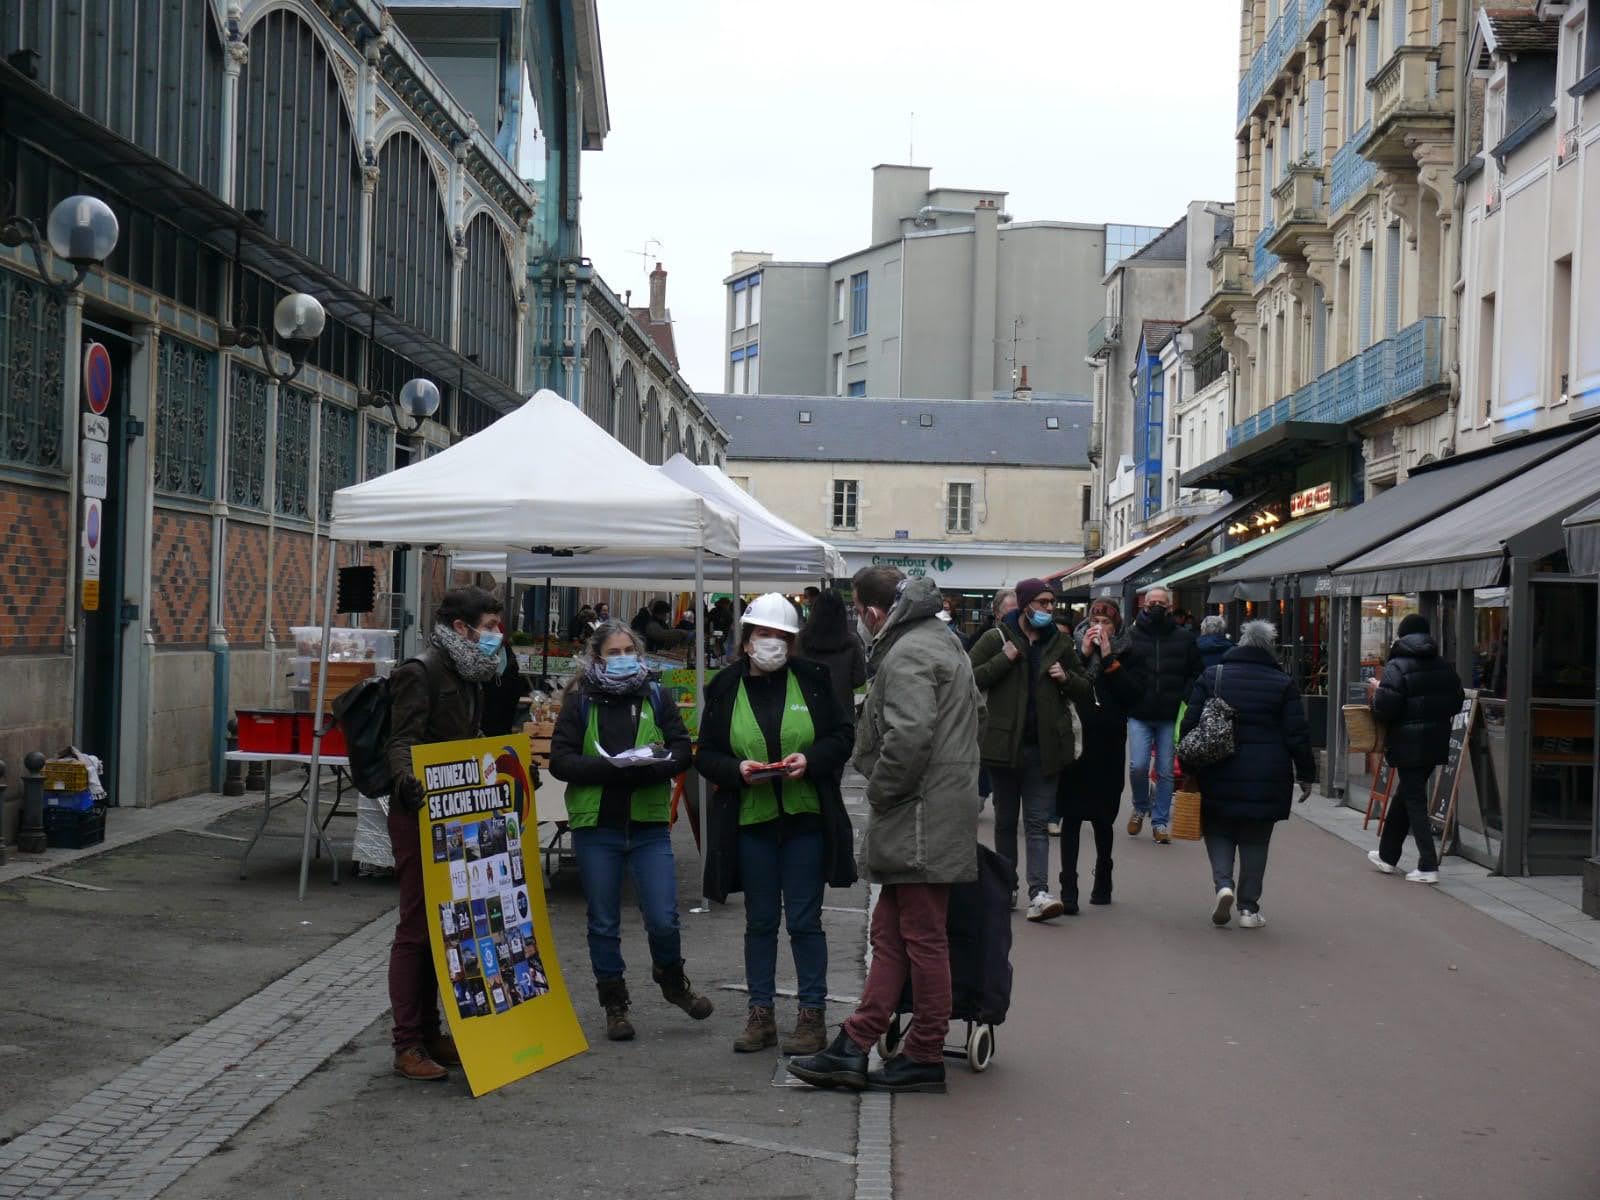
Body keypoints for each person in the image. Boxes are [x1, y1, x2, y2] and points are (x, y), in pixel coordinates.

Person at [787, 568, 982, 1095]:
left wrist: (881, 790)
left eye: (859, 611)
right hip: (930, 807)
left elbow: (911, 734)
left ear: (872, 612)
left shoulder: (911, 651)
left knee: (919, 936)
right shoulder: (937, 641)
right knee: (893, 933)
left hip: (919, 810)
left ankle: (921, 1051)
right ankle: (856, 1042)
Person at [698, 593, 856, 1056]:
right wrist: (737, 771)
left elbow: (842, 736)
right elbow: (706, 752)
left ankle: (811, 1017)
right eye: (764, 635)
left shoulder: (813, 680)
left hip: (805, 819)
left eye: (782, 637)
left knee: (805, 921)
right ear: (746, 641)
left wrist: (811, 759)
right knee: (760, 922)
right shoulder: (725, 686)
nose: (773, 644)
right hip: (752, 822)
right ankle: (760, 1015)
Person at [548, 620, 711, 1040]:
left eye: (628, 652)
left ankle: (673, 981)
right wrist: (608, 767)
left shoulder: (656, 695)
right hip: (597, 826)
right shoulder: (580, 701)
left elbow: (681, 749)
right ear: (597, 658)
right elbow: (561, 760)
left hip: (648, 825)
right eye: (613, 653)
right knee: (603, 920)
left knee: (663, 917)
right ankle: (614, 1004)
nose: (622, 659)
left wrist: (653, 764)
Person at [384, 586, 502, 1081]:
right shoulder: (422, 671)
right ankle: (407, 1042)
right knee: (416, 927)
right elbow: (402, 739)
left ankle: (431, 1031)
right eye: (490, 626)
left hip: (456, 811)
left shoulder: (470, 672)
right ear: (462, 628)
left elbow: (464, 738)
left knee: (445, 925)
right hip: (419, 811)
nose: (497, 636)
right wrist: (409, 781)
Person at [1178, 620, 1316, 928]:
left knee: (1218, 829)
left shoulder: (1214, 676)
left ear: (1240, 642)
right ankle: (1249, 909)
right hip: (1268, 772)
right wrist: (1306, 773)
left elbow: (1190, 723)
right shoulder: (1283, 682)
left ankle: (1223, 885)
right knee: (1256, 839)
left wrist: (1188, 768)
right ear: (1271, 648)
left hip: (1218, 768)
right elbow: (1297, 733)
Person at [968, 577, 1090, 921]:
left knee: (1037, 824)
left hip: (1045, 747)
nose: (1049, 610)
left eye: (1051, 604)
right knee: (1006, 822)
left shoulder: (1061, 643)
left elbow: (1085, 689)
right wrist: (1002, 661)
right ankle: (1007, 887)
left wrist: (1066, 678)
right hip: (1003, 745)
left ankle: (1039, 892)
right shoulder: (997, 639)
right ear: (1025, 605)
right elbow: (967, 677)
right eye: (1043, 603)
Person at [1057, 599, 1148, 911]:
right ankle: (1067, 886)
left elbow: (1134, 695)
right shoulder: (1071, 650)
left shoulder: (1131, 653)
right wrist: (1082, 656)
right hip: (1076, 742)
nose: (1100, 627)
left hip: (1109, 742)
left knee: (1102, 817)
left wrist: (1109, 659)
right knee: (1070, 815)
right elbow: (1064, 687)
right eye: (1095, 619)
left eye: (1106, 622)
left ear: (1117, 626)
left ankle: (1103, 877)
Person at [1368, 614, 1465, 884]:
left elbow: (1385, 709)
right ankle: (1388, 855)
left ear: (1402, 636)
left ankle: (1427, 864)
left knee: (1414, 802)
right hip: (1435, 742)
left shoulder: (1396, 666)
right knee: (1406, 795)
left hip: (1407, 743)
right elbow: (1456, 703)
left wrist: (1378, 692)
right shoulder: (1443, 665)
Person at [1126, 585, 1202, 844]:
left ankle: (1159, 822)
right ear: (1143, 606)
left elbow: (1196, 671)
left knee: (1166, 771)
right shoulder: (1132, 635)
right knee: (1137, 766)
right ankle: (1139, 806)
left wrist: (1184, 696)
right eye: (1151, 603)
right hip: (1139, 711)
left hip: (1170, 714)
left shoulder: (1184, 638)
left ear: (1170, 606)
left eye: (1161, 603)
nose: (1156, 607)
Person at [797, 589, 868, 717]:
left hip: (806, 709)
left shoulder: (801, 639)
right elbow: (859, 679)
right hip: (842, 710)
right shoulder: (851, 641)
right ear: (842, 612)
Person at [977, 588, 1018, 808]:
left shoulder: (1033, 639)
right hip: (993, 720)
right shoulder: (991, 638)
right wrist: (1004, 660)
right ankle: (983, 793)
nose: (1015, 616)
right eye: (1010, 611)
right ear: (997, 613)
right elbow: (972, 677)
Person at [481, 618, 531, 736]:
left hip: (504, 711)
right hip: (485, 711)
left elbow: (516, 684)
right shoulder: (482, 653)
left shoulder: (508, 655)